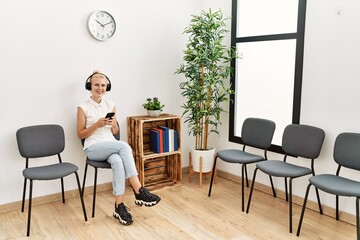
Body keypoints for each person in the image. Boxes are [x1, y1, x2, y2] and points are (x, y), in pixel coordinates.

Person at [77, 71, 160, 225]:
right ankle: (139, 189)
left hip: (110, 145)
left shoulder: (111, 105)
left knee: (117, 161)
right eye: (96, 85)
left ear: (107, 87)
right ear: (90, 86)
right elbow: (80, 135)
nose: (100, 88)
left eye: (103, 85)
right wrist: (97, 125)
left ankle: (119, 206)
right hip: (93, 148)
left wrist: (113, 124)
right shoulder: (82, 107)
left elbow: (115, 132)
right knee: (124, 146)